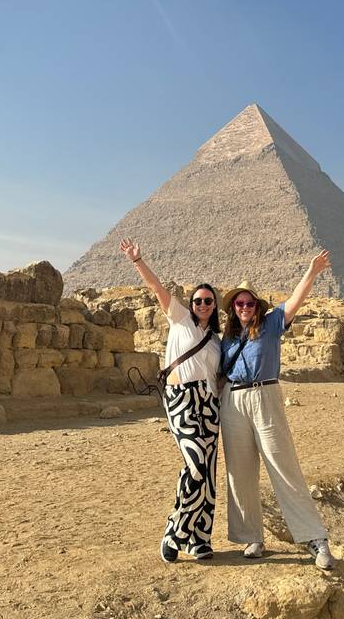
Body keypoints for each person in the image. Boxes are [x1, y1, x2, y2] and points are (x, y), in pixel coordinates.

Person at [219, 250, 334, 571]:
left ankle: (315, 538)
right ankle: (251, 537)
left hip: (265, 396)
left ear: (258, 306)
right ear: (233, 307)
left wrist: (312, 272)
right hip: (232, 401)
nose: (244, 307)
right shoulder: (227, 338)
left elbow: (296, 299)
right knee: (239, 472)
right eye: (239, 303)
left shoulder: (271, 325)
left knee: (283, 465)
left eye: (249, 303)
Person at [120, 238, 221, 563]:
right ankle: (175, 531)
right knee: (195, 466)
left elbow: (220, 377)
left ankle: (200, 539)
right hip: (182, 400)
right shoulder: (180, 319)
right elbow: (157, 288)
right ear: (191, 303)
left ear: (215, 306)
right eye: (198, 300)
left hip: (209, 405)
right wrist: (138, 261)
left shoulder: (217, 341)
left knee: (208, 474)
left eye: (208, 301)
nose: (202, 304)